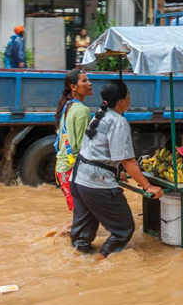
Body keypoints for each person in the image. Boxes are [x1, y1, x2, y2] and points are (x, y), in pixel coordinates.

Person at [70, 80, 163, 260]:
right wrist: (147, 186)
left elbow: (96, 151)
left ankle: (79, 263)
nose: (129, 99)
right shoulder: (118, 122)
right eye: (128, 95)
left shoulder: (99, 116)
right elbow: (128, 160)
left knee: (83, 237)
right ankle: (98, 263)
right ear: (121, 101)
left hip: (78, 179)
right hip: (96, 183)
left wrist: (114, 171)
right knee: (123, 229)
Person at [54, 70, 94, 232]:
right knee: (85, 218)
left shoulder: (68, 106)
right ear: (74, 87)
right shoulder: (83, 111)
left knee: (81, 216)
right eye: (84, 81)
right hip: (73, 170)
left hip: (63, 169)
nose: (89, 83)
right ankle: (56, 239)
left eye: (89, 80)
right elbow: (84, 146)